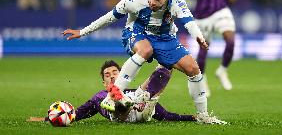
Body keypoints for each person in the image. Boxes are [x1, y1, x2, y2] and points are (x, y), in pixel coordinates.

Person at [63, 0, 226, 124]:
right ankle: (112, 96)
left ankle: (203, 115)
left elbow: (189, 22)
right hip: (137, 32)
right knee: (145, 50)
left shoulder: (176, 0)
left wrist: (198, 36)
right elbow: (110, 17)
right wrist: (83, 32)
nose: (152, 2)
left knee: (193, 69)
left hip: (165, 38)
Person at [28, 60, 197, 123]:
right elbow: (76, 114)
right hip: (119, 114)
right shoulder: (99, 97)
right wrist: (47, 118)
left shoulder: (131, 91)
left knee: (161, 73)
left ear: (122, 75)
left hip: (139, 108)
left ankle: (166, 65)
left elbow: (165, 115)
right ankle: (122, 102)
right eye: (107, 75)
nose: (111, 76)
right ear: (104, 81)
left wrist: (190, 118)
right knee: (105, 98)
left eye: (115, 73)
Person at [177, 0, 237, 97]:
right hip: (203, 13)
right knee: (204, 49)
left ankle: (222, 70)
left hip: (221, 8)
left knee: (230, 40)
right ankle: (202, 80)